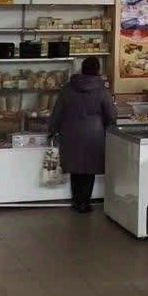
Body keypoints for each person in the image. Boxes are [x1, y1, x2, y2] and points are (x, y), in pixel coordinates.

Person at [48, 56, 116, 213]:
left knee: (75, 168)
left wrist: (52, 130)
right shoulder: (102, 90)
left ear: (82, 69)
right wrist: (110, 126)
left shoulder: (67, 88)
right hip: (94, 134)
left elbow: (57, 112)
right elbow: (111, 115)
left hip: (70, 133)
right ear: (97, 70)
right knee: (89, 169)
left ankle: (76, 201)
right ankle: (85, 202)